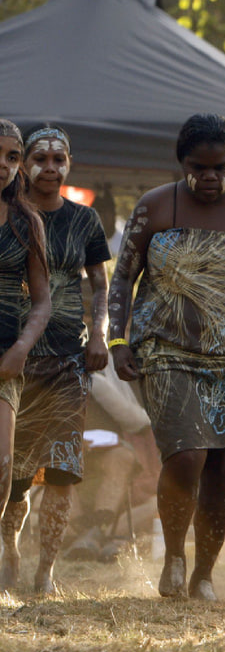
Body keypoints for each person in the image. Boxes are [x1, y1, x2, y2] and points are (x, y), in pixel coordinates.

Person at [107, 113, 225, 601]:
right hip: (168, 352)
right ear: (182, 163)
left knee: (222, 468)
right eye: (200, 167)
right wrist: (117, 340)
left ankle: (205, 574)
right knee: (187, 455)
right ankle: (174, 554)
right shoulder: (154, 207)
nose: (211, 177)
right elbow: (122, 279)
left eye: (222, 167)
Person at [0, 127, 110, 595]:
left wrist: (102, 335)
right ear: (26, 166)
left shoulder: (85, 221)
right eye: (40, 159)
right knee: (16, 472)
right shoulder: (18, 218)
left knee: (62, 467)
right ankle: (10, 552)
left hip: (67, 356)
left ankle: (46, 570)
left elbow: (101, 286)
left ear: (69, 164)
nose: (50, 168)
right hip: (19, 356)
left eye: (58, 159)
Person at [0, 120, 52, 593]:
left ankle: (7, 545)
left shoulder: (24, 221)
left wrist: (21, 348)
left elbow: (42, 301)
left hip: (6, 358)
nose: (4, 164)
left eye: (12, 156)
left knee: (3, 466)